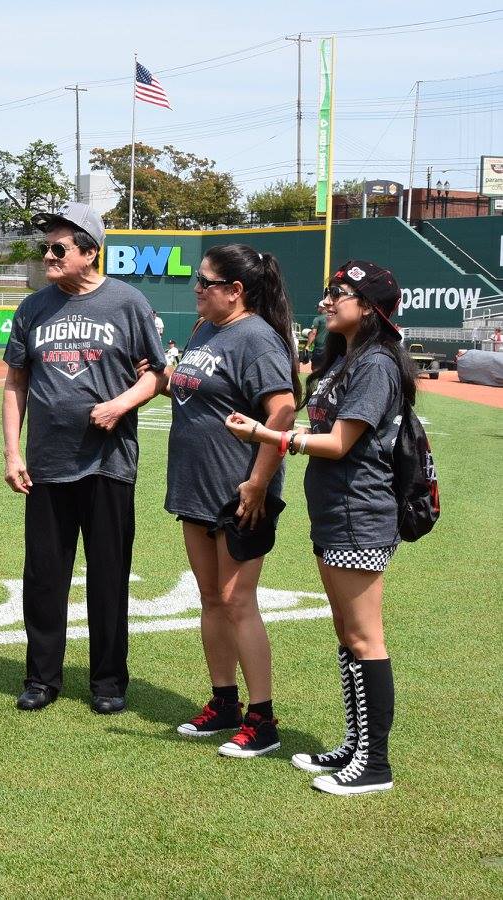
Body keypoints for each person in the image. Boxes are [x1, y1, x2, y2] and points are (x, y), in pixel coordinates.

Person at [226, 259, 413, 796]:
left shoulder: (377, 361)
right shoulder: (346, 357)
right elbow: (324, 426)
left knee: (364, 637)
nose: (328, 301)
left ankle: (374, 764)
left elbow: (337, 444)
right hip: (335, 511)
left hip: (360, 512)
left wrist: (269, 436)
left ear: (370, 307)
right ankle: (357, 745)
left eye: (340, 294)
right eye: (329, 291)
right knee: (347, 636)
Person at [2, 201, 166, 714]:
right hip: (48, 462)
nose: (48, 255)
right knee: (45, 576)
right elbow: (15, 382)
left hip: (108, 462)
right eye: (45, 247)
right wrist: (12, 450)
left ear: (90, 253)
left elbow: (156, 375)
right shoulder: (33, 308)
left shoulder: (127, 303)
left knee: (109, 575)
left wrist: (119, 405)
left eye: (59, 247)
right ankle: (42, 678)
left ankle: (109, 682)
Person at [164, 245, 300, 758]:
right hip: (197, 489)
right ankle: (224, 704)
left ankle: (262, 720)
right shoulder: (206, 330)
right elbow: (202, 392)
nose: (197, 288)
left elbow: (283, 410)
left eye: (206, 281)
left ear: (235, 290)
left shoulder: (256, 337)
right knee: (211, 598)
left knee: (238, 601)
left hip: (239, 492)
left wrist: (259, 481)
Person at [306, 300, 328, 369]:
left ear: (322, 308)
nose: (318, 309)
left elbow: (313, 333)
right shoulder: (334, 318)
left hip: (319, 349)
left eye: (319, 307)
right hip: (330, 349)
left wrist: (307, 346)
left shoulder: (317, 319)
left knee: (315, 369)